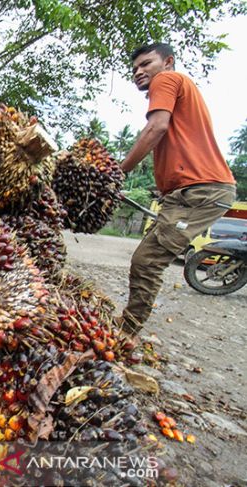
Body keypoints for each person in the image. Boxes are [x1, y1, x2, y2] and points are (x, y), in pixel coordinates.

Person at [116, 42, 236, 337]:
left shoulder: (167, 79)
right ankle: (126, 327)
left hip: (202, 190)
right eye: (134, 69)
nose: (139, 72)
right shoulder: (179, 86)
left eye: (146, 64)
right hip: (191, 192)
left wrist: (118, 171)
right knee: (147, 257)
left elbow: (156, 128)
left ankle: (124, 333)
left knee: (147, 260)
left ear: (168, 61)